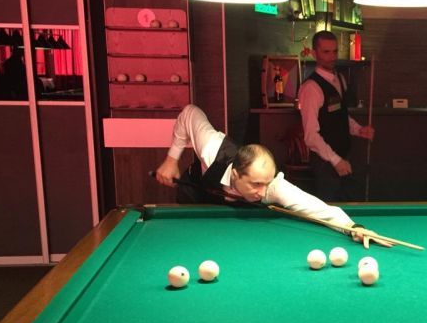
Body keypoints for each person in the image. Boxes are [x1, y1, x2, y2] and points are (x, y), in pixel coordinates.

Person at [154, 105, 389, 248]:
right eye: (256, 184)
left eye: (265, 184)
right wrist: (171, 160)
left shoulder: (273, 187)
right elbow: (189, 112)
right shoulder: (212, 148)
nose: (262, 191)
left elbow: (316, 207)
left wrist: (354, 227)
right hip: (196, 193)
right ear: (235, 174)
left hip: (236, 215)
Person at [297, 31, 374, 201]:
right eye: (326, 52)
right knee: (329, 208)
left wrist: (359, 130)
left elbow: (340, 116)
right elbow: (310, 135)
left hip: (343, 157)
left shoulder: (339, 79)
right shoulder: (311, 88)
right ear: (314, 53)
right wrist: (335, 160)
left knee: (347, 204)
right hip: (325, 163)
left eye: (334, 51)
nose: (332, 57)